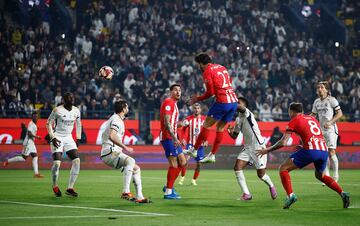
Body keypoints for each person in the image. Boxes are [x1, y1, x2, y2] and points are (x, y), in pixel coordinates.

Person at [256, 102, 350, 209]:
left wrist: (267, 150)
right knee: (321, 176)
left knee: (283, 168)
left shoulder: (294, 121)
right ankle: (343, 193)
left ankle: (291, 195)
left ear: (291, 112)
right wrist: (303, 144)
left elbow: (284, 142)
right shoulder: (312, 119)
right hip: (324, 150)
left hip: (311, 150)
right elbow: (312, 133)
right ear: (302, 111)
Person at [186, 53, 238, 163]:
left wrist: (198, 98)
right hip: (233, 101)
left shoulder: (207, 71)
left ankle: (194, 150)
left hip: (223, 102)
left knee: (206, 125)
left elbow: (210, 92)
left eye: (198, 65)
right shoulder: (221, 67)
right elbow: (229, 82)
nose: (198, 67)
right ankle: (212, 155)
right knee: (220, 128)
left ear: (201, 64)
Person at [100, 100, 151, 203]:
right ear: (123, 109)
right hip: (110, 151)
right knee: (130, 161)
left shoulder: (116, 119)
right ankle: (125, 192)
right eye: (127, 107)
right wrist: (125, 147)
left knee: (136, 168)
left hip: (113, 151)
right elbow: (112, 136)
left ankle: (140, 197)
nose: (128, 109)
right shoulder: (116, 119)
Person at [227, 97, 277, 201]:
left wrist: (229, 103)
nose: (237, 104)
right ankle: (246, 194)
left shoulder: (248, 113)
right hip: (248, 148)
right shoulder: (238, 119)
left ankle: (271, 185)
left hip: (258, 147)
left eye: (238, 103)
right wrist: (230, 132)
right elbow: (235, 136)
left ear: (244, 106)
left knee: (261, 175)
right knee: (237, 167)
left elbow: (240, 108)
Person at [46, 92, 82, 197]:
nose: (72, 99)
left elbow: (79, 124)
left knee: (77, 161)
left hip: (69, 137)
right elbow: (48, 123)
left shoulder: (76, 110)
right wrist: (52, 137)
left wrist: (78, 137)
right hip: (57, 137)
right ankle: (55, 185)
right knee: (57, 164)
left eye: (72, 97)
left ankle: (70, 188)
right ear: (64, 100)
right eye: (69, 98)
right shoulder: (57, 110)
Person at [310, 81, 343, 182]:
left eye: (322, 87)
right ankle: (327, 175)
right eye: (318, 88)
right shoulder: (316, 102)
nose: (319, 89)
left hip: (331, 130)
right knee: (323, 152)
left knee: (331, 151)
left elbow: (340, 113)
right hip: (321, 130)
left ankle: (336, 175)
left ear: (326, 90)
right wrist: (304, 119)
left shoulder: (332, 100)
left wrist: (331, 122)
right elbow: (313, 115)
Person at [160, 84, 186, 199]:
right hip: (168, 137)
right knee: (174, 164)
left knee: (183, 162)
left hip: (174, 137)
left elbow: (174, 124)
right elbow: (167, 122)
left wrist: (180, 128)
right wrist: (175, 138)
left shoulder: (174, 104)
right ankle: (168, 192)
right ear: (170, 92)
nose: (178, 92)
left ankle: (168, 186)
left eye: (180, 90)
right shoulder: (169, 102)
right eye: (175, 90)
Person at [3, 112, 44, 178]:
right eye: (34, 116)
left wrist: (34, 138)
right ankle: (8, 161)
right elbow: (29, 134)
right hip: (28, 142)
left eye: (36, 117)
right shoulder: (31, 124)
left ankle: (36, 173)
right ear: (32, 117)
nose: (35, 118)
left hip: (32, 143)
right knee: (23, 158)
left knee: (35, 156)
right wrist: (37, 137)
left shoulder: (34, 125)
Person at [177, 103, 206, 186]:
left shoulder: (204, 120)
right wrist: (182, 138)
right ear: (193, 109)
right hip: (190, 144)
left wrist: (206, 140)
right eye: (195, 108)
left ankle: (193, 180)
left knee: (199, 164)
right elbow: (183, 129)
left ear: (200, 109)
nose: (196, 110)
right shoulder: (188, 119)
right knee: (185, 161)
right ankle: (182, 177)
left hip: (200, 145)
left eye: (198, 108)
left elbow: (206, 131)